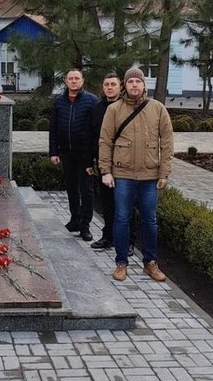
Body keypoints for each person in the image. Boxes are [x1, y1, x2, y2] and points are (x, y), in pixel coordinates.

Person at [98, 66, 174, 282]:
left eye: (137, 82)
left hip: (149, 176)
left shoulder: (158, 109)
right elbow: (105, 141)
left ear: (144, 85)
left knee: (150, 220)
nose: (134, 85)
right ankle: (121, 263)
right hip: (122, 174)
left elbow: (167, 143)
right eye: (130, 82)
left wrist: (164, 172)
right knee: (122, 218)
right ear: (125, 85)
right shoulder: (114, 110)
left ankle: (150, 263)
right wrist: (106, 170)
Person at [49, 67, 99, 242]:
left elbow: (96, 130)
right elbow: (53, 129)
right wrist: (54, 152)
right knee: (71, 188)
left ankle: (85, 226)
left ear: (82, 81)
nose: (74, 81)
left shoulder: (92, 101)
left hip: (85, 155)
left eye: (77, 78)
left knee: (86, 190)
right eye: (71, 78)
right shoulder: (58, 102)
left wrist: (93, 155)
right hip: (66, 153)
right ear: (65, 81)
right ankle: (74, 220)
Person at [90, 72, 121, 251]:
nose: (109, 87)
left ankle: (128, 241)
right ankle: (107, 237)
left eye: (113, 84)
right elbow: (92, 136)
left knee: (126, 205)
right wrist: (91, 161)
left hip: (124, 163)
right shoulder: (97, 108)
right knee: (107, 203)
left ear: (119, 87)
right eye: (106, 84)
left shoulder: (126, 107)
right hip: (104, 162)